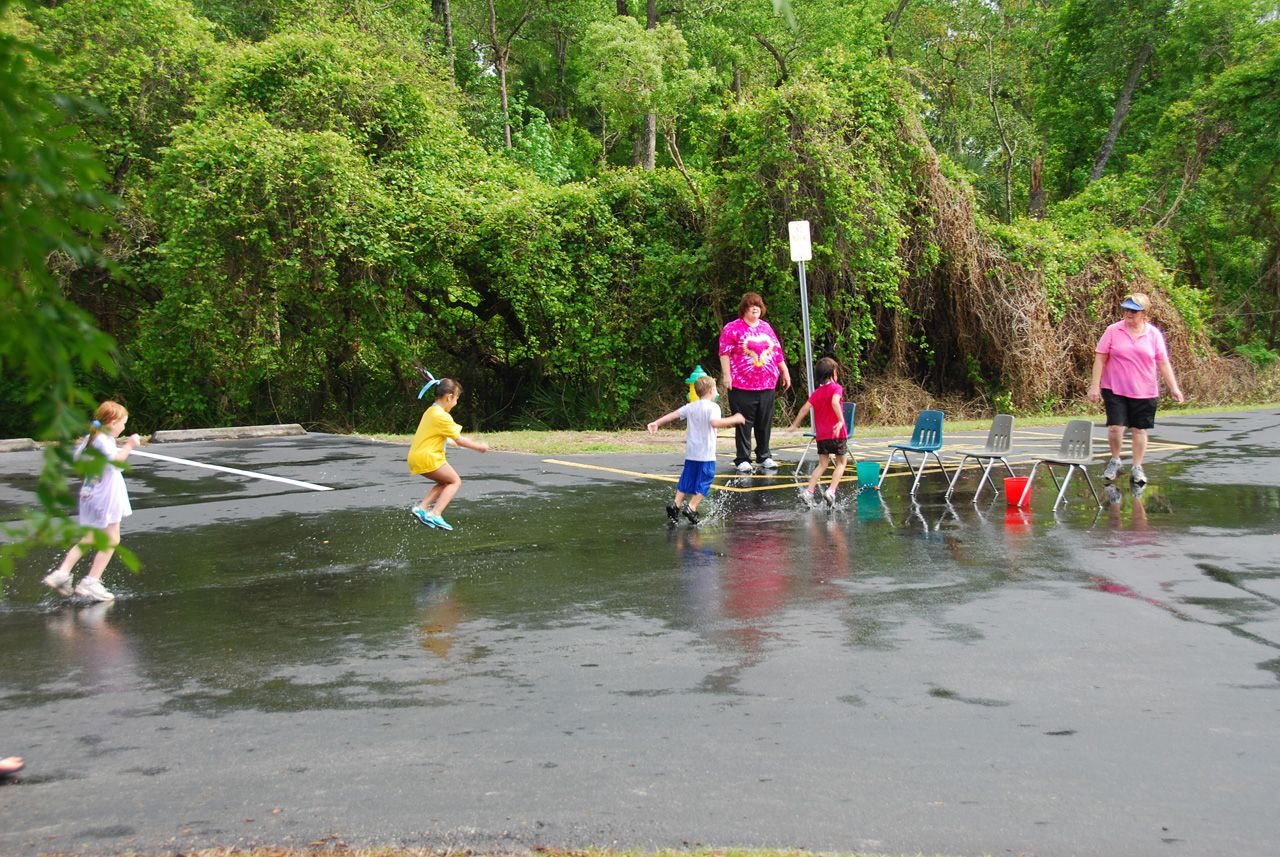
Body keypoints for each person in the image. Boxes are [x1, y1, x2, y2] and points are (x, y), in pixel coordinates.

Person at [43, 401, 141, 602]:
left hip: (90, 494)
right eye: (123, 423)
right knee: (112, 539)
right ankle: (91, 581)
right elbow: (115, 462)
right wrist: (130, 446)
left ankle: (62, 574)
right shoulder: (103, 441)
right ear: (112, 423)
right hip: (104, 496)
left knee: (89, 537)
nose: (124, 427)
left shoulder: (93, 438)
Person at [1087, 292, 1184, 485]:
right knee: (1116, 427)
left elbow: (1163, 363)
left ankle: (1137, 468)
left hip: (1145, 390)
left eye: (1134, 310)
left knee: (1140, 429)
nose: (1128, 313)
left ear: (1144, 314)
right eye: (1126, 309)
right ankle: (1115, 461)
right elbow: (1100, 357)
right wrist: (1094, 385)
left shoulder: (1153, 334)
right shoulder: (1113, 330)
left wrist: (1174, 388)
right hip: (1114, 388)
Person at [647, 375, 745, 525]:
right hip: (706, 455)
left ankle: (676, 504)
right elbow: (715, 423)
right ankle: (692, 507)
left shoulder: (691, 406)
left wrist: (657, 422)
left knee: (687, 478)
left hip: (691, 453)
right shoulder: (713, 407)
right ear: (712, 390)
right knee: (705, 481)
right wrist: (735, 419)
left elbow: (673, 415)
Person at [719, 292, 792, 473]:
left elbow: (777, 352)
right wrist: (727, 375)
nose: (755, 309)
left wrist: (785, 371)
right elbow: (724, 353)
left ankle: (764, 455)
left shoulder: (766, 327)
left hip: (767, 384)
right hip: (742, 384)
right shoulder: (732, 328)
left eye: (758, 306)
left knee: (764, 421)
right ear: (744, 309)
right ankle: (743, 458)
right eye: (751, 306)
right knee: (744, 422)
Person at [407, 378, 489, 531]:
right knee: (454, 482)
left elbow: (444, 439)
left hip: (416, 456)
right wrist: (478, 447)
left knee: (444, 483)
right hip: (429, 457)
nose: (456, 402)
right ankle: (436, 513)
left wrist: (460, 441)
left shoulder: (430, 412)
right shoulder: (443, 416)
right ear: (449, 397)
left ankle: (422, 508)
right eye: (457, 398)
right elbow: (459, 439)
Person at [787, 357, 849, 506]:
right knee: (841, 463)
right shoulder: (836, 388)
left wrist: (794, 425)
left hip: (822, 436)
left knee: (822, 465)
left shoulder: (817, 392)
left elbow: (805, 408)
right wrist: (841, 421)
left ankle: (809, 492)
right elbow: (835, 402)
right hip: (837, 434)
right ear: (834, 373)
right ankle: (831, 491)